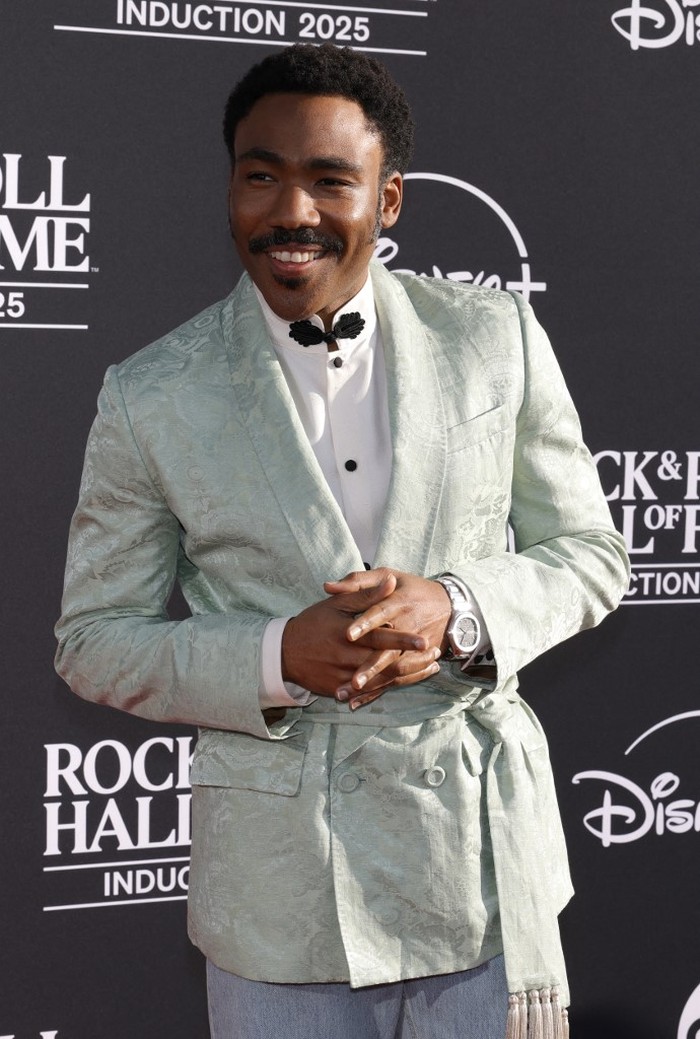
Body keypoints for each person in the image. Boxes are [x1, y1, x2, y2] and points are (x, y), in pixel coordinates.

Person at [55, 43, 629, 1039]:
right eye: (260, 176)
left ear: (389, 197)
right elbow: (95, 637)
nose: (292, 213)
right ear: (230, 186)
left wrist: (457, 608)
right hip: (279, 910)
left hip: (480, 882)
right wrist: (277, 656)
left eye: (330, 181)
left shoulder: (494, 337)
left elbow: (588, 552)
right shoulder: (151, 394)